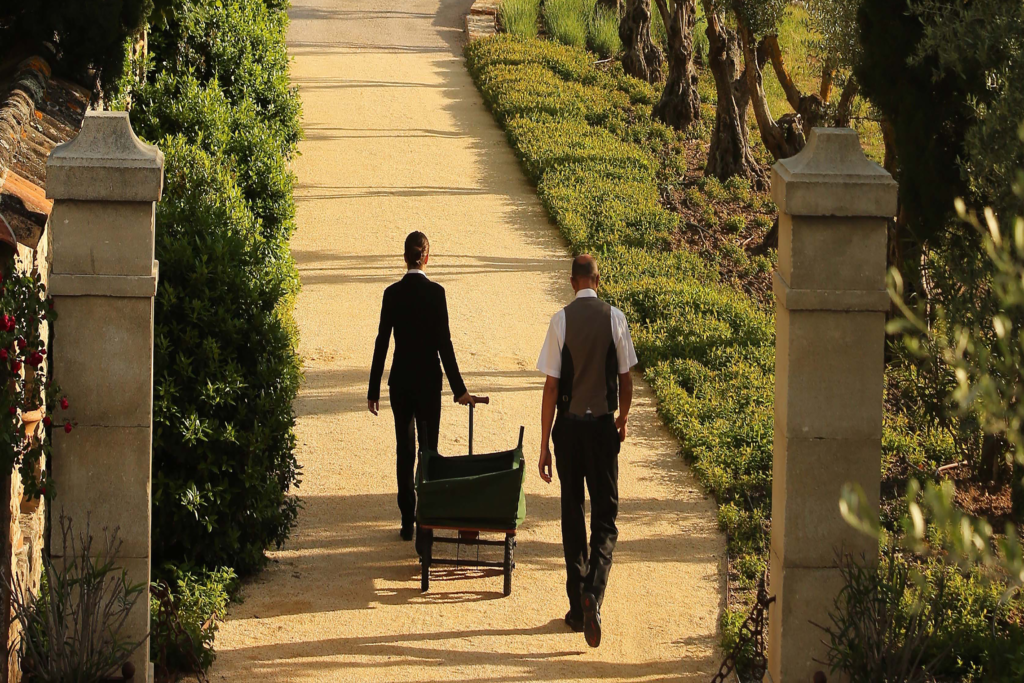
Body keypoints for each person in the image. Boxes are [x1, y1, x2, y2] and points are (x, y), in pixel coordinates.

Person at [536, 254, 637, 649]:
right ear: (598, 279)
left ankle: (577, 609)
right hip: (601, 429)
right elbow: (626, 378)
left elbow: (550, 386)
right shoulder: (615, 318)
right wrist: (623, 418)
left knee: (572, 511)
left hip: (569, 428)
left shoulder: (560, 320)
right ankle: (595, 590)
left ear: (572, 282)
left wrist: (544, 443)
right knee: (606, 516)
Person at [368, 231, 476, 542]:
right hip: (429, 383)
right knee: (428, 451)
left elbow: (382, 343)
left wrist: (373, 389)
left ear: (404, 257)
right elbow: (445, 344)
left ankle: (406, 519)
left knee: (405, 450)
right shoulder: (436, 294)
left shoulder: (392, 294)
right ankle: (425, 518)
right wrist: (459, 390)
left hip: (401, 382)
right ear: (427, 258)